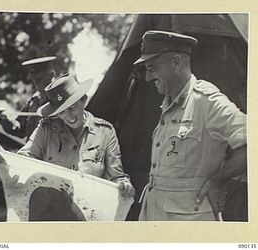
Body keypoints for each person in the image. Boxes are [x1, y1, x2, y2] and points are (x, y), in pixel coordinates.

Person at [134, 30, 247, 221]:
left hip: (189, 220)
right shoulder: (169, 103)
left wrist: (217, 181)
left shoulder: (206, 102)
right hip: (154, 214)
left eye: (152, 68)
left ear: (176, 62)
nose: (147, 77)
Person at [18, 73, 135, 199]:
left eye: (72, 108)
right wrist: (2, 159)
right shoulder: (45, 129)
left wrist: (124, 185)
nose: (69, 117)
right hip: (53, 209)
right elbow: (23, 160)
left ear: (84, 100)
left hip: (90, 210)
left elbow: (116, 176)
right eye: (61, 112)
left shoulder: (105, 132)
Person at [0, 56, 56, 140]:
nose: (36, 83)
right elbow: (21, 129)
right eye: (34, 80)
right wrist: (6, 119)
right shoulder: (34, 100)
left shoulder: (59, 99)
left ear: (51, 76)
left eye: (39, 79)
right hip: (32, 151)